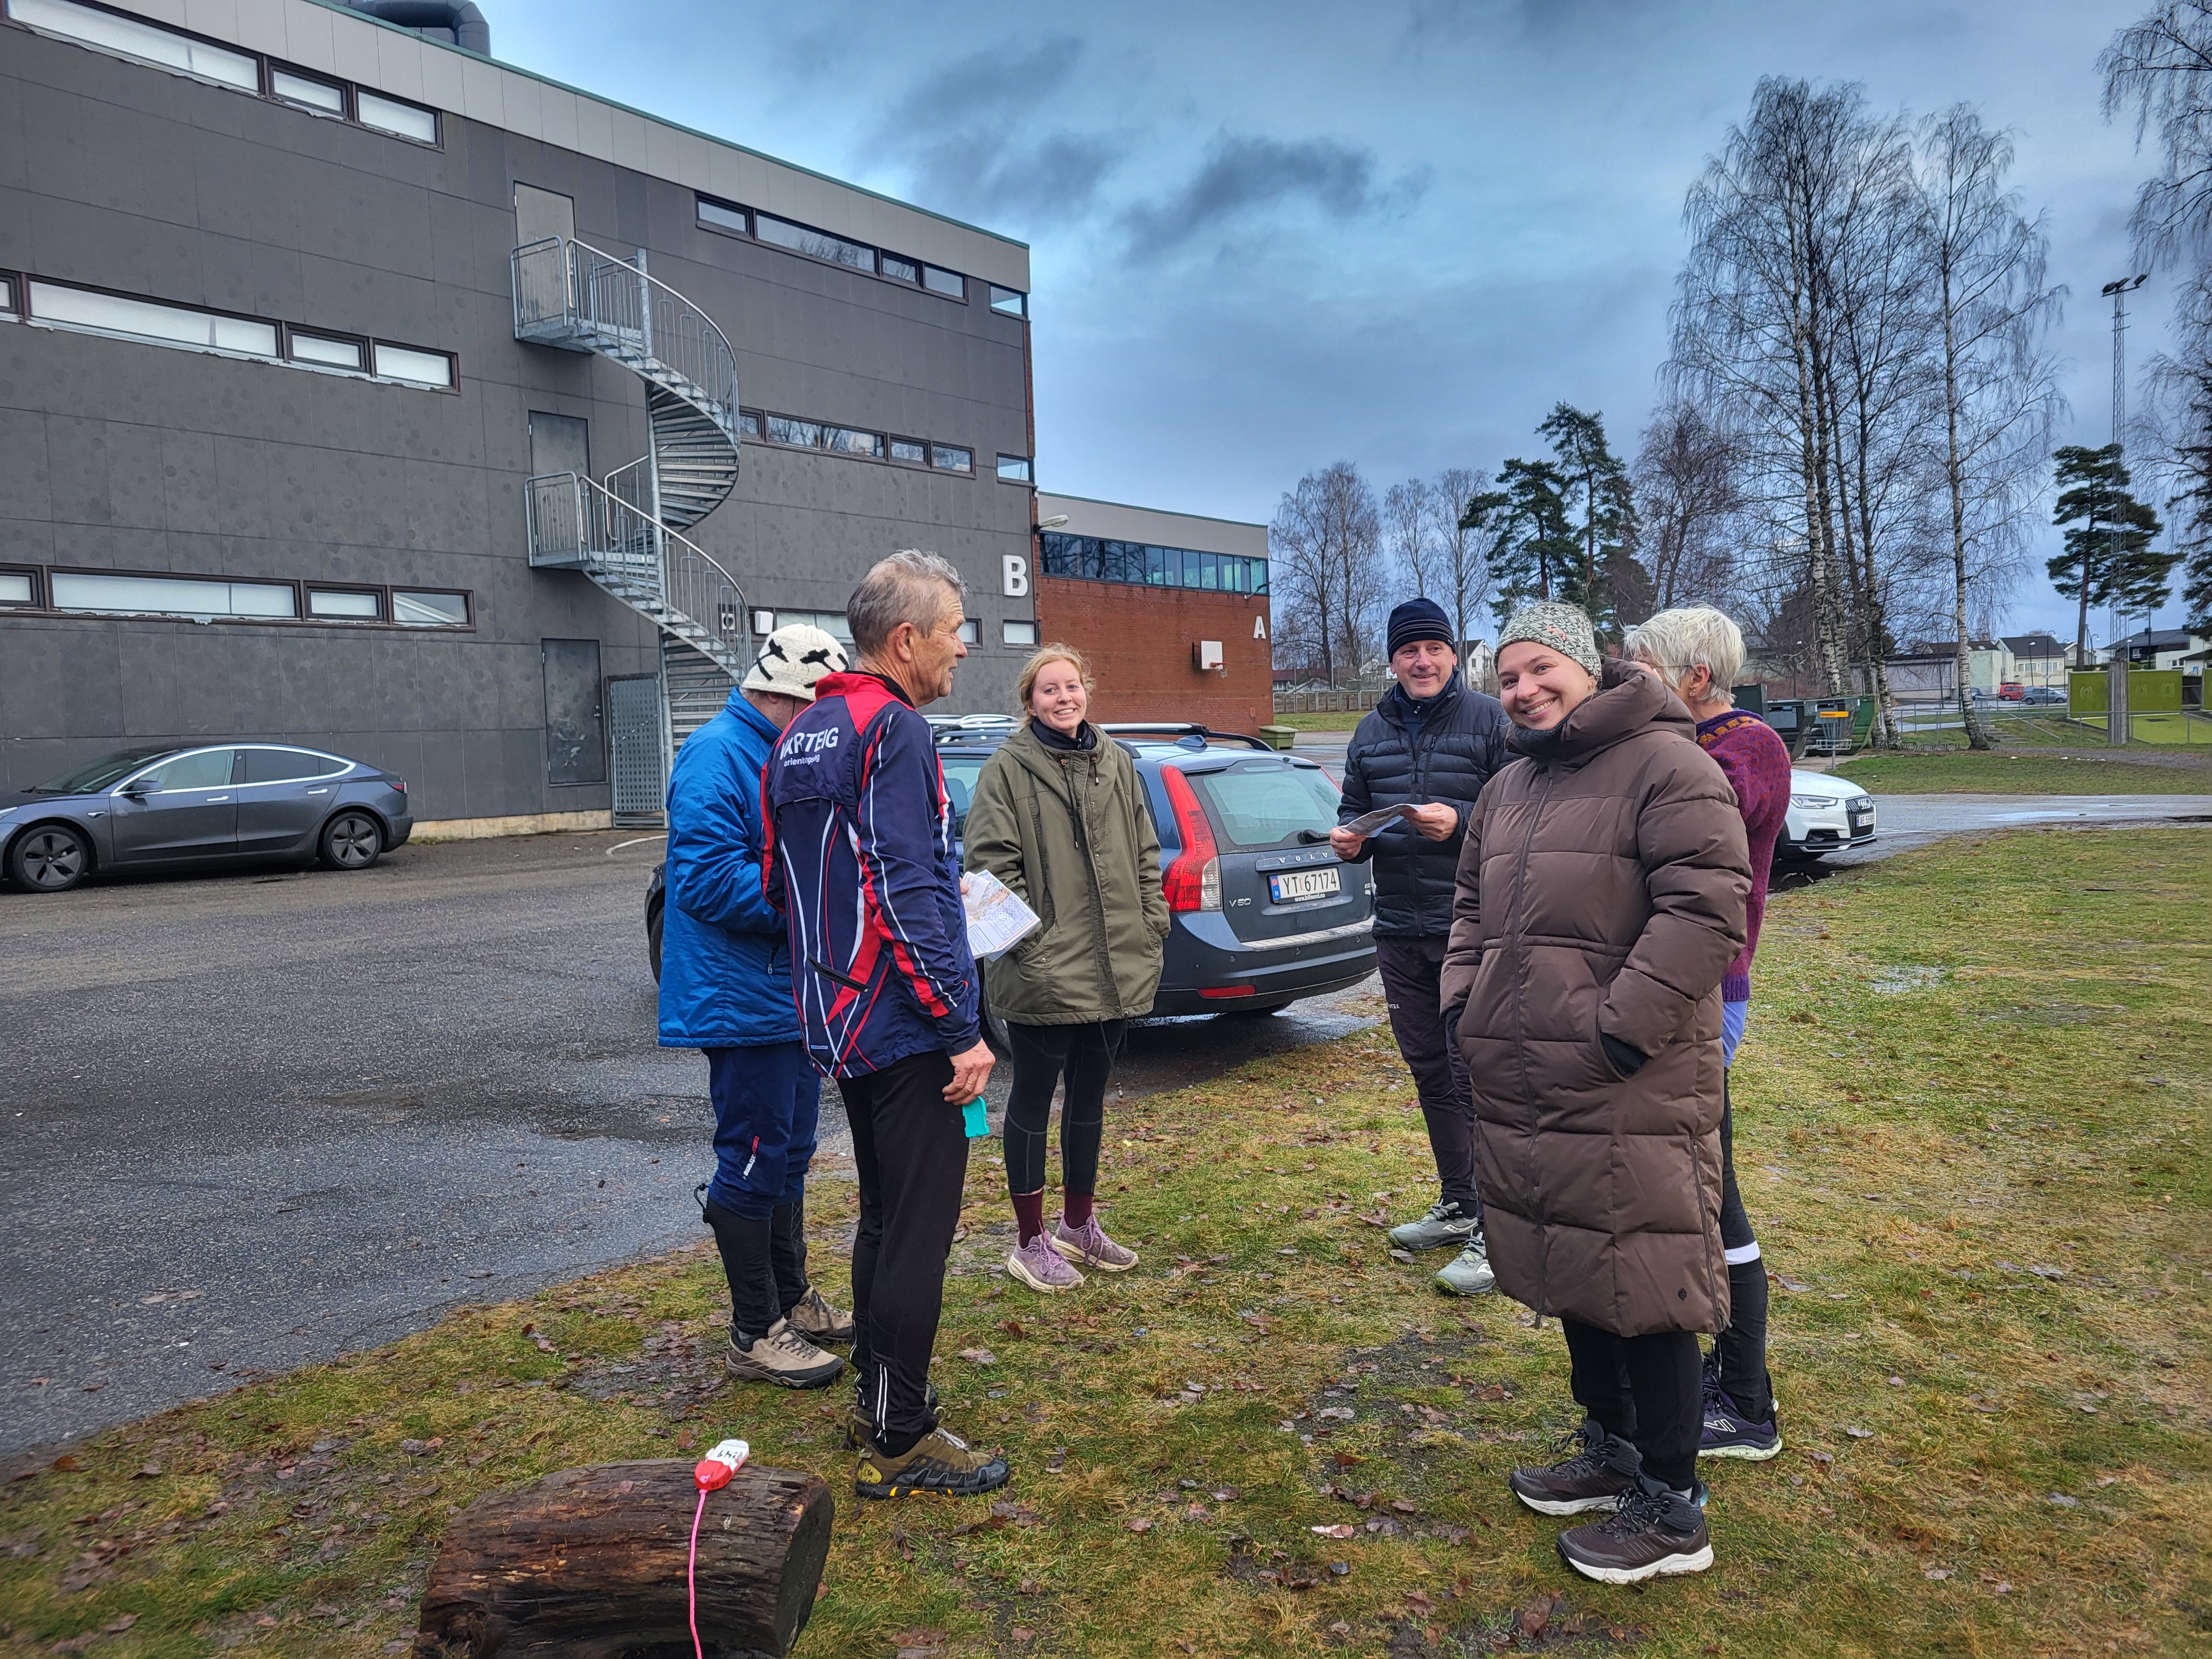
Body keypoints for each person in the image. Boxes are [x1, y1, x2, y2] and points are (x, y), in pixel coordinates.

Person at [1441, 601, 1749, 1585]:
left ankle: (1671, 1502)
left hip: (1628, 1078)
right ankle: (1609, 1446)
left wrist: (1619, 1033)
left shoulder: (1670, 765)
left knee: (1644, 1276)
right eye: (1508, 678)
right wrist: (1463, 1008)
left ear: (1588, 667)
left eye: (1542, 670)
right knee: (1577, 1259)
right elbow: (1470, 909)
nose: (1524, 689)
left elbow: (1707, 908)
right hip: (1526, 1074)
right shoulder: (1511, 786)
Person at [761, 550, 1009, 1500]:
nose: (961, 648)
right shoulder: (893, 728)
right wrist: (958, 1024)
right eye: (953, 630)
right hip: (903, 1025)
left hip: (839, 1017)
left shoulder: (803, 730)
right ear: (905, 640)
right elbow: (907, 890)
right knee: (917, 1233)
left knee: (880, 1219)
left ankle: (877, 1402)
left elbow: (787, 886)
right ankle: (902, 1434)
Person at [660, 624, 854, 1390]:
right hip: (743, 997)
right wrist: (818, 901)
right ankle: (754, 1330)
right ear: (787, 696)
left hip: (782, 991)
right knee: (750, 1157)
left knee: (789, 1153)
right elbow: (705, 882)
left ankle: (790, 1299)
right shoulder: (716, 755)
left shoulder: (771, 748)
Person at [1624, 607, 1791, 1462]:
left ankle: (1745, 1402)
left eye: (1641, 666)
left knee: (1707, 1193)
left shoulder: (1744, 744)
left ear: (1693, 677)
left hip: (1705, 994)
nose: (1627, 677)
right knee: (1695, 1185)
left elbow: (1679, 829)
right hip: (1671, 989)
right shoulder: (1684, 741)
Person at [962, 645, 1167, 1293]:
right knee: (1030, 1102)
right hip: (1043, 971)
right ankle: (1029, 1241)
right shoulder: (1006, 770)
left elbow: (1144, 850)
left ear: (1087, 693)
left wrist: (1152, 922)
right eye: (1049, 690)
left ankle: (1078, 1225)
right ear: (1030, 703)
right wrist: (1035, 947)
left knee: (1088, 1100)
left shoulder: (1116, 763)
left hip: (1116, 966)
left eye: (1072, 686)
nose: (1063, 697)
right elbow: (991, 868)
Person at [1330, 597, 1512, 1296]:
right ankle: (1459, 1201)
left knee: (1478, 1078)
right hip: (1400, 931)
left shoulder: (1490, 721)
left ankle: (1499, 1232)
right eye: (1410, 650)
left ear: (1453, 656)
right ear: (1393, 659)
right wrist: (1349, 840)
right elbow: (1353, 810)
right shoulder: (1369, 729)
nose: (1423, 660)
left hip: (1472, 927)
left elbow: (1521, 813)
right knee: (1430, 1072)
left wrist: (1462, 819)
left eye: (1434, 648)